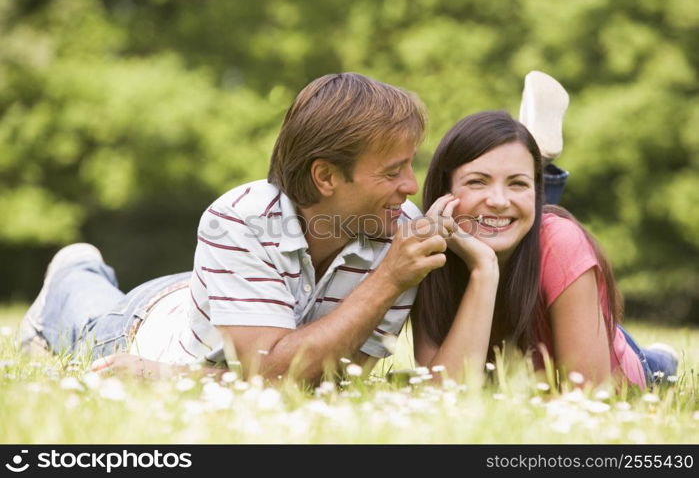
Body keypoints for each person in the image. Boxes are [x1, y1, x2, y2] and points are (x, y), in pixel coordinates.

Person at [20, 72, 450, 383]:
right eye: (392, 171)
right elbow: (273, 377)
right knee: (84, 308)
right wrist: (389, 279)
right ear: (327, 177)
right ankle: (72, 271)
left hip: (237, 298)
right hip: (148, 323)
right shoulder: (241, 219)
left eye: (410, 166)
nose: (411, 186)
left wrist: (178, 379)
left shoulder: (401, 235)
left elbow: (331, 381)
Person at [412, 110, 678, 388]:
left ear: (535, 192)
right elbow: (443, 393)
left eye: (518, 183)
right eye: (477, 181)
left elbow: (587, 394)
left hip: (620, 355)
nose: (499, 200)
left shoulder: (560, 242)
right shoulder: (428, 254)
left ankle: (662, 357)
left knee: (659, 367)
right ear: (444, 191)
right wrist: (485, 271)